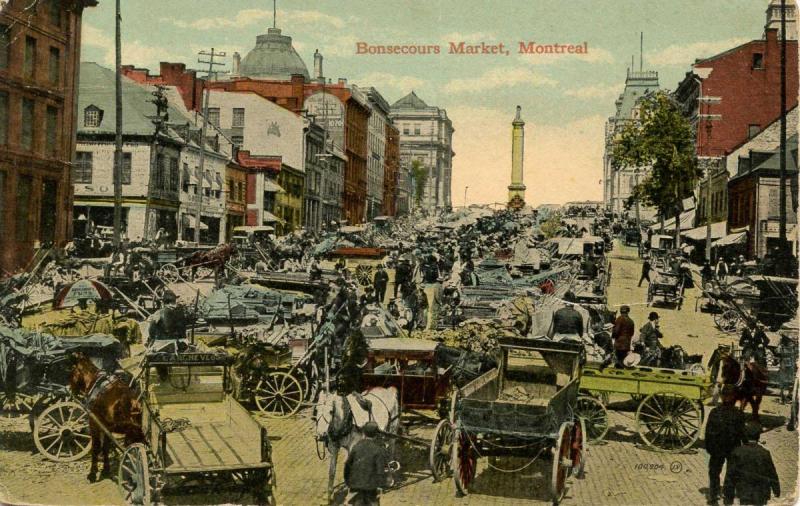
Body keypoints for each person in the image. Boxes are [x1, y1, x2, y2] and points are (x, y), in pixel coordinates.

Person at [704, 385, 746, 506]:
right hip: (733, 449)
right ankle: (728, 499)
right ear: (735, 398)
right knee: (731, 474)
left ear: (721, 397)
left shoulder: (715, 412)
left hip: (717, 449)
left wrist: (709, 448)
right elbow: (743, 434)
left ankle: (713, 497)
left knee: (714, 472)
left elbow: (708, 432)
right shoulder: (739, 414)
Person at [722, 422, 780, 506]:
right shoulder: (764, 453)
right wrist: (776, 489)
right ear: (758, 437)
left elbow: (730, 474)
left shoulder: (737, 452)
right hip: (761, 492)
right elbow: (771, 473)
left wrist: (728, 494)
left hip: (744, 491)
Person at [344, 421, 389, 506]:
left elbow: (347, 465)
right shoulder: (378, 450)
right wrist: (380, 485)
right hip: (371, 487)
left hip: (355, 485)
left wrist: (348, 481)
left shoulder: (356, 446)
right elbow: (380, 471)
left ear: (364, 433)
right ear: (376, 435)